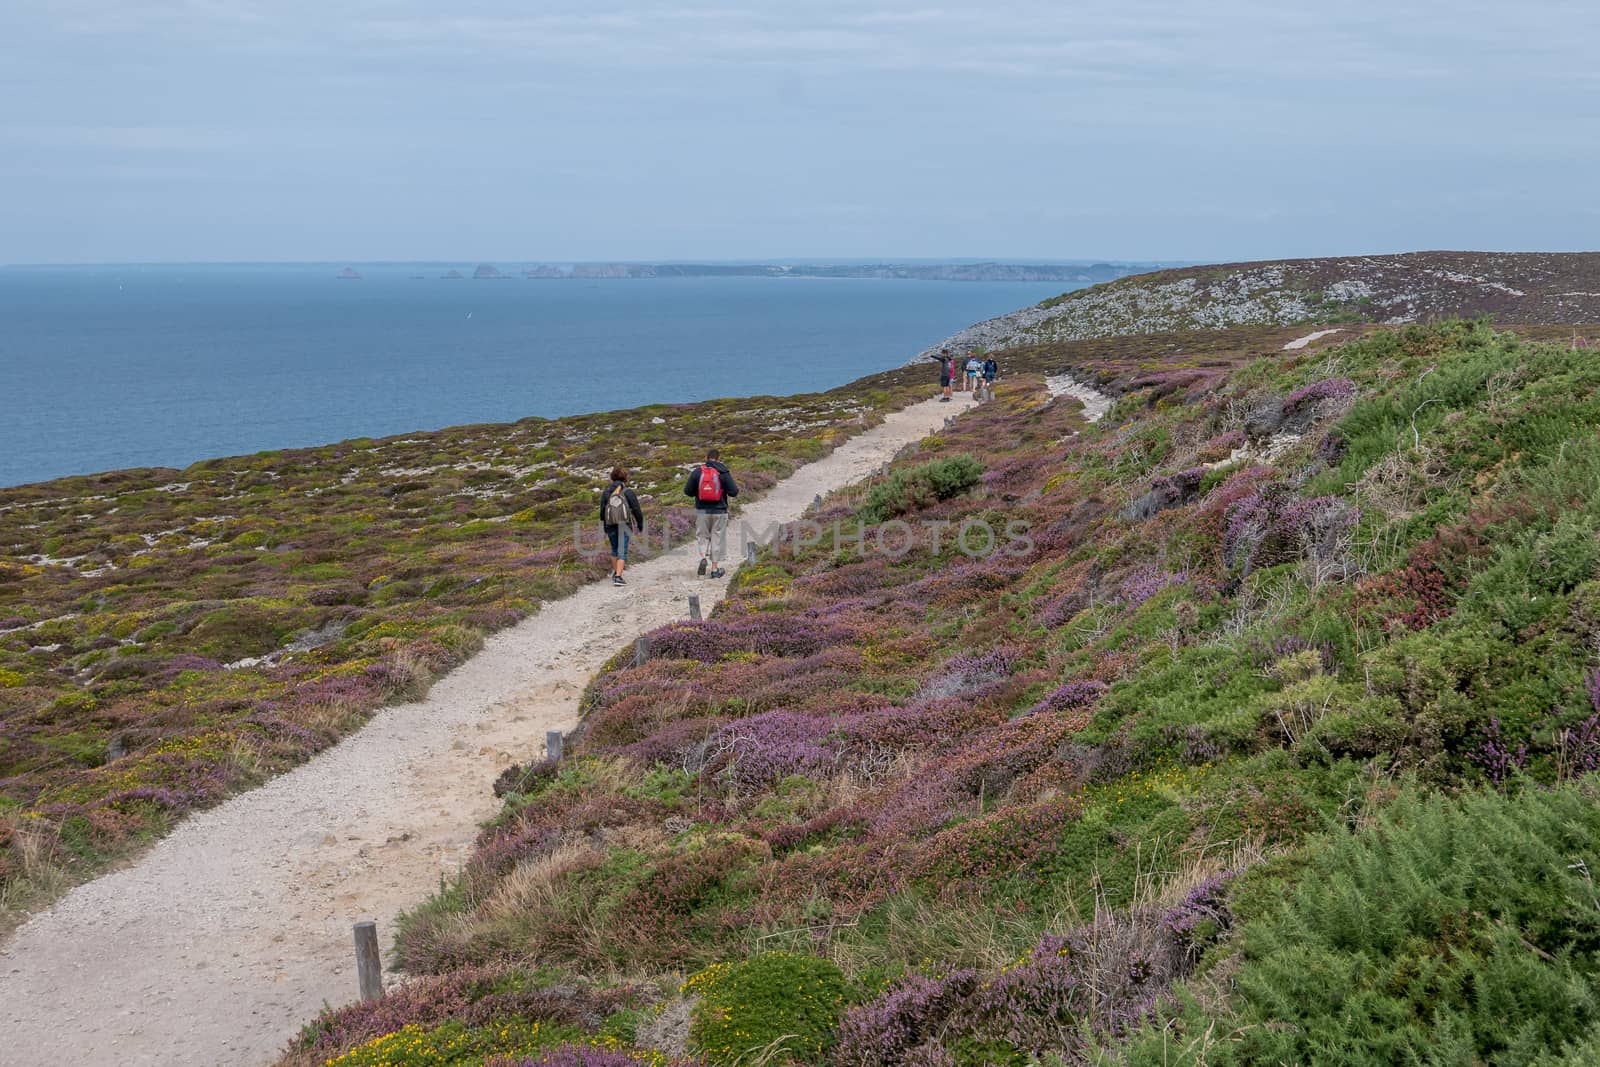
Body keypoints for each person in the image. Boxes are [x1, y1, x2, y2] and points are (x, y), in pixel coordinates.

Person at [684, 447, 738, 578]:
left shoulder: (698, 472)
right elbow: (734, 491)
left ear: (706, 458)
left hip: (702, 511)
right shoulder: (723, 471)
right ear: (719, 458)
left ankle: (703, 557)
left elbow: (687, 491)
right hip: (719, 511)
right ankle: (714, 570)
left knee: (702, 536)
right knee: (717, 538)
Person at [599, 466, 644, 586]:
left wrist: (605, 526)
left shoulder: (606, 492)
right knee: (622, 551)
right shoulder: (628, 492)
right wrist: (640, 524)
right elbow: (636, 510)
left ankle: (615, 573)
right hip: (625, 525)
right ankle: (618, 577)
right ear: (625, 478)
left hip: (610, 525)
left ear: (612, 478)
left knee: (614, 549)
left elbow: (602, 511)